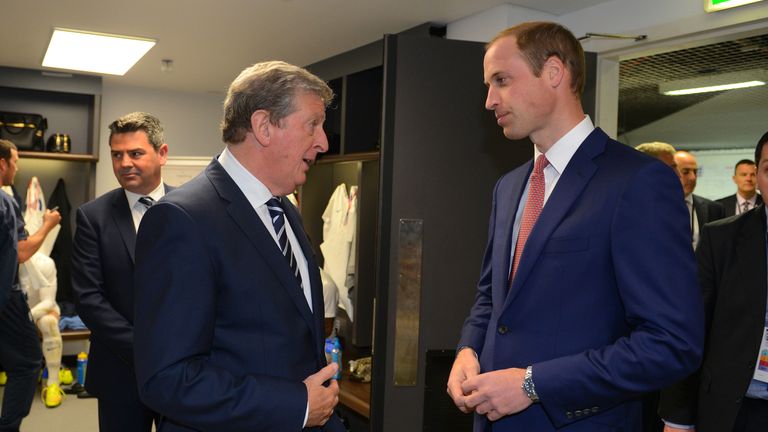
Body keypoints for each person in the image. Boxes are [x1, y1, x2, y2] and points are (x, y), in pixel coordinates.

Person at [446, 22, 704, 432]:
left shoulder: (636, 182)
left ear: (553, 72)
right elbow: (491, 300)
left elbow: (671, 344)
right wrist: (468, 350)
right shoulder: (509, 186)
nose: (490, 100)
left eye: (501, 81)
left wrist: (533, 384)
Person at [132, 61, 343, 431]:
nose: (324, 142)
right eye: (313, 124)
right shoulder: (182, 220)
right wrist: (295, 405)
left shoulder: (286, 211)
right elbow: (167, 379)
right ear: (264, 126)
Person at [659, 130, 768, 432]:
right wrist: (678, 418)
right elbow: (692, 327)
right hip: (737, 410)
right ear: (757, 178)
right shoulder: (722, 238)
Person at [71, 112, 170, 432]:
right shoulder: (93, 217)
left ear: (162, 153)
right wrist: (144, 347)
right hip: (120, 370)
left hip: (186, 370)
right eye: (117, 154)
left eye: (136, 153)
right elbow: (88, 298)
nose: (125, 162)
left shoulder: (192, 208)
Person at [0, 139, 58, 431]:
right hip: (5, 300)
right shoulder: (5, 202)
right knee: (26, 363)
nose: (17, 167)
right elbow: (22, 251)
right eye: (15, 162)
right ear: (3, 164)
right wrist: (47, 225)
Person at [673, 150, 725, 247]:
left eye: (695, 172)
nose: (693, 177)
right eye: (686, 172)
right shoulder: (658, 206)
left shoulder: (714, 209)